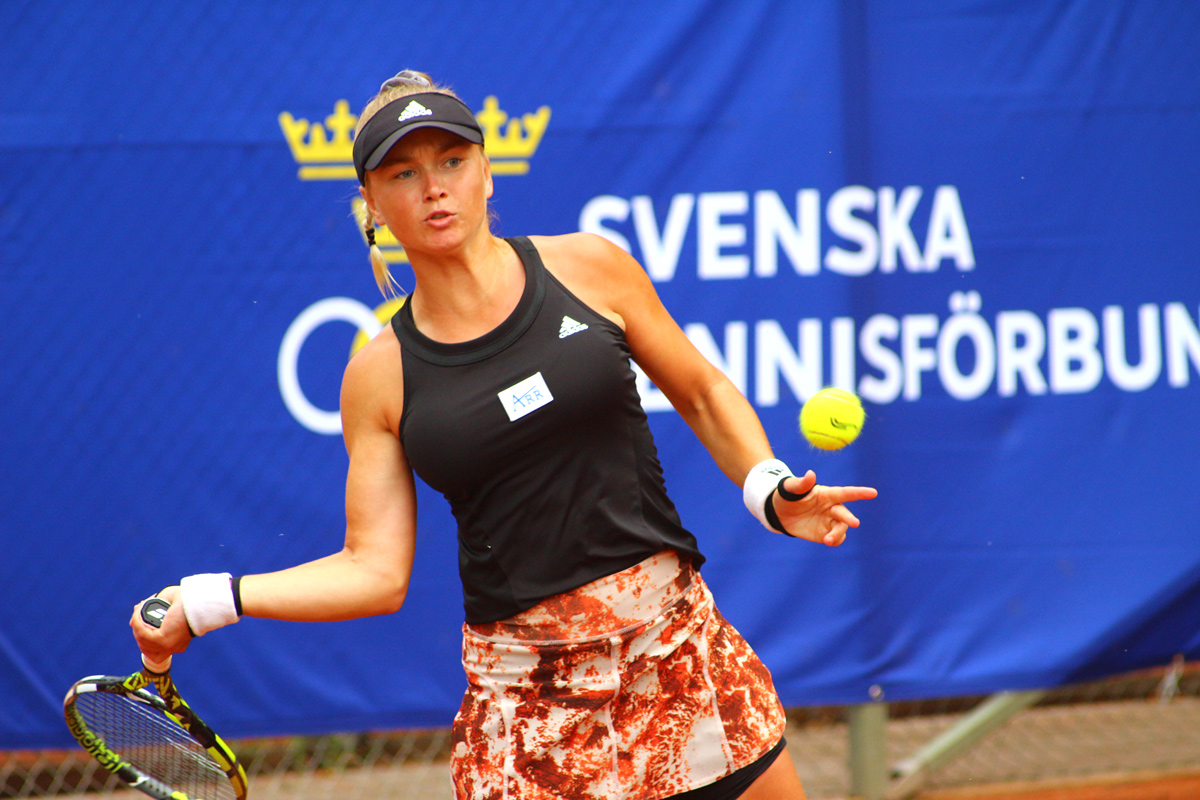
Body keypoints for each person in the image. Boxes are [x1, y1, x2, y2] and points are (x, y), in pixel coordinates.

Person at [132, 69, 878, 800]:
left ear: (486, 172)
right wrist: (207, 600)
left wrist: (767, 488)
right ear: (370, 204)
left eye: (452, 161)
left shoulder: (590, 267)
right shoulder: (379, 374)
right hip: (531, 708)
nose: (434, 188)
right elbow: (374, 569)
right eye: (403, 173)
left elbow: (703, 389)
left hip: (678, 655)